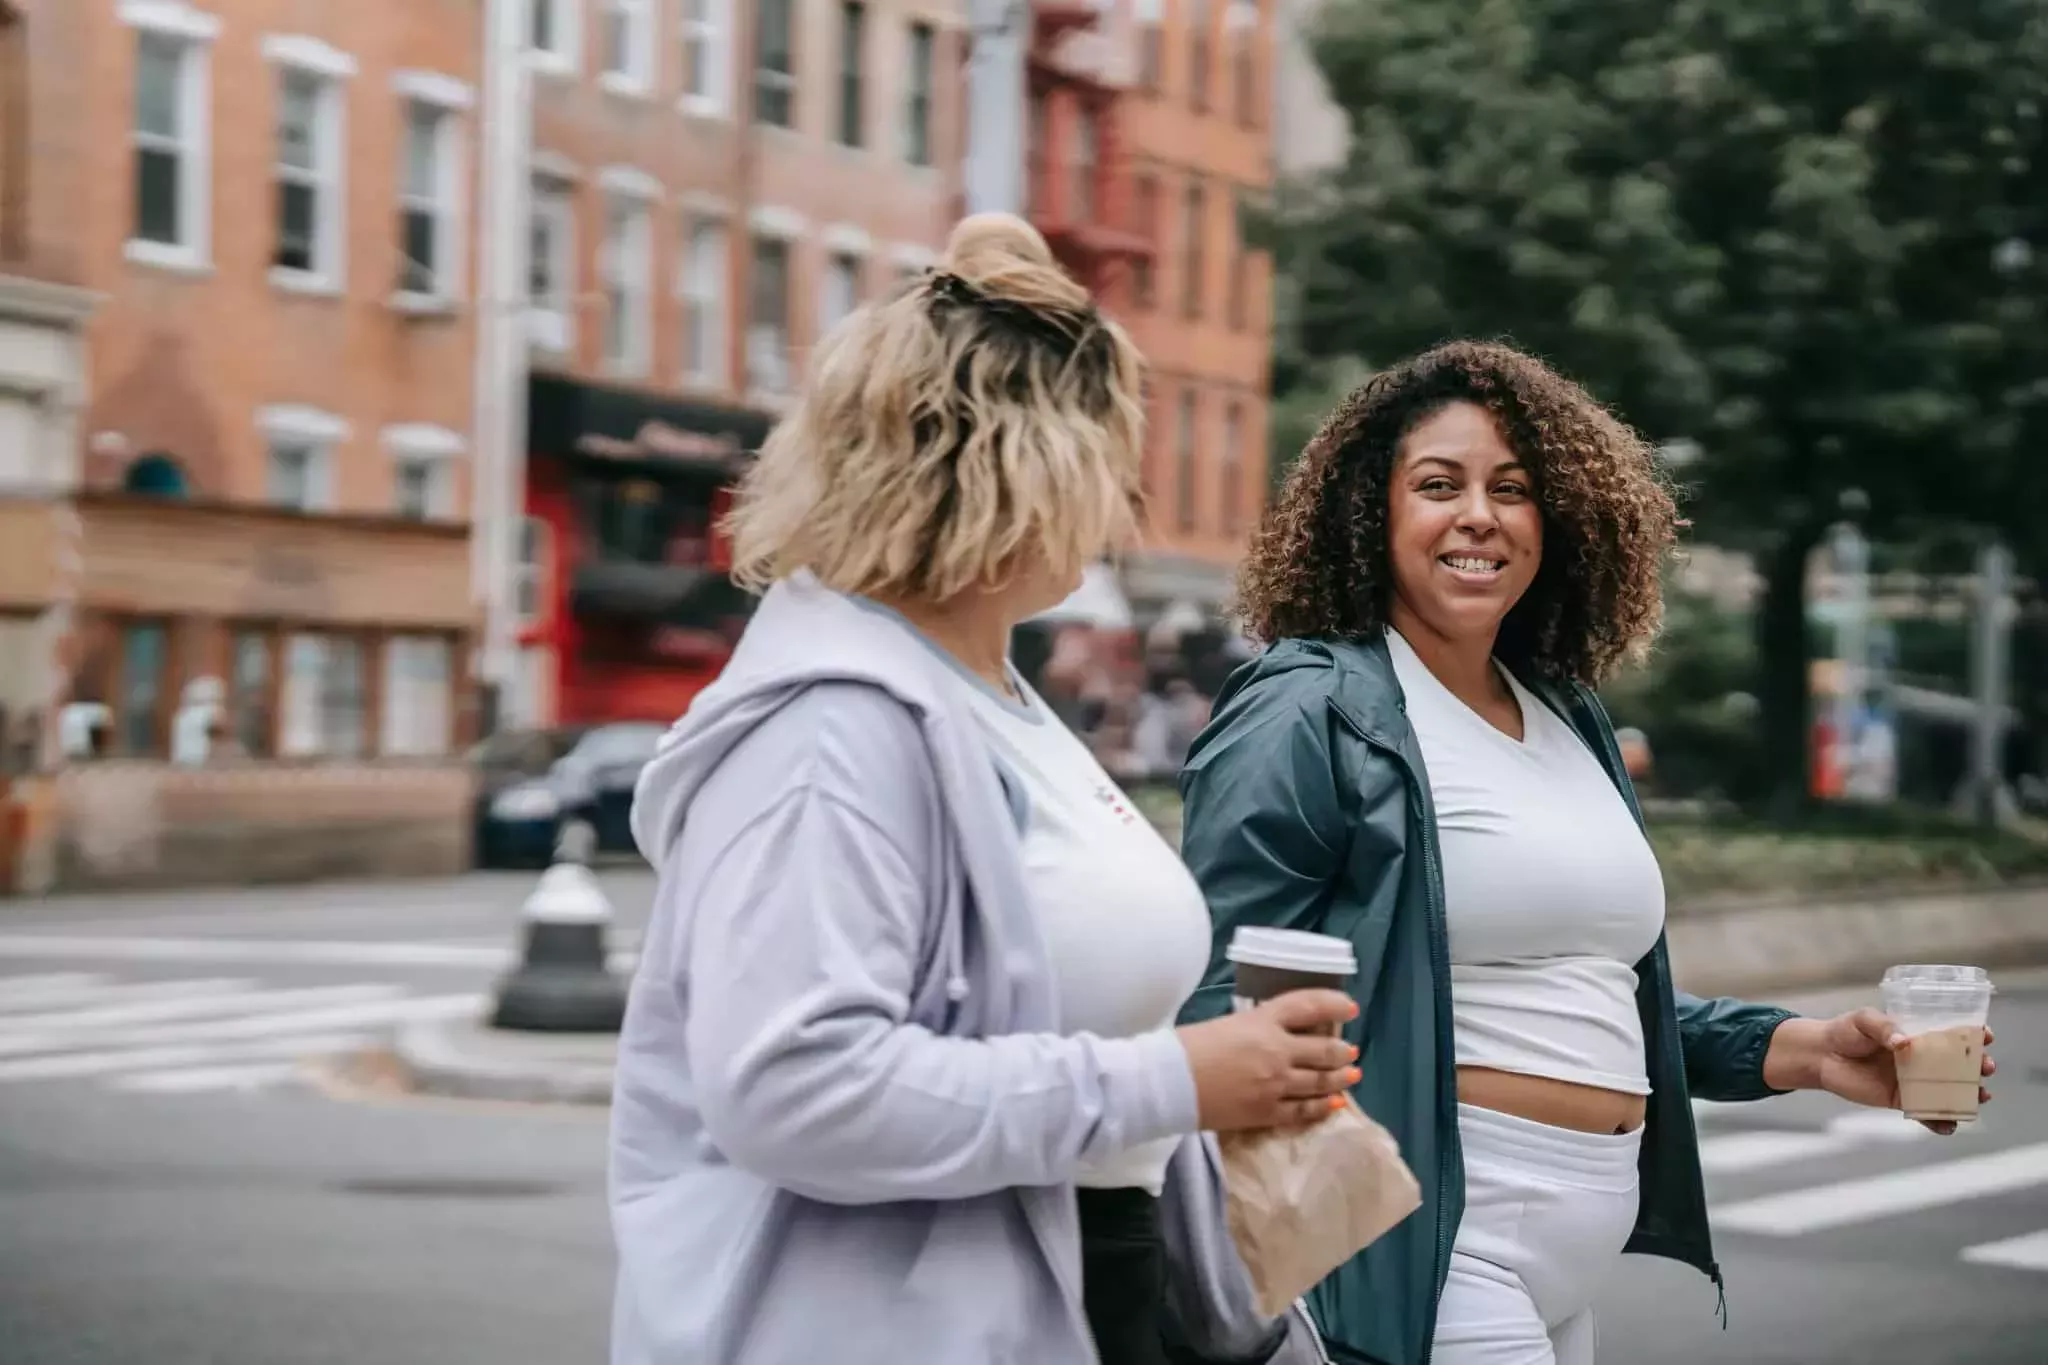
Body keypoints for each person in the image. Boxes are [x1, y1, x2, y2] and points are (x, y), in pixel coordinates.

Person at [607, 213, 1360, 1365]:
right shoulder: (832, 725)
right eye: (1115, 466)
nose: (1122, 510)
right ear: (1026, 471)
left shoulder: (985, 693)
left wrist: (1222, 1087)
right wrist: (1170, 1077)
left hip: (1080, 1286)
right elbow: (796, 1089)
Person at [1175, 341, 1998, 1365]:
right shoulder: (1310, 705)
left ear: (1553, 521)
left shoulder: (1562, 712)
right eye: (1437, 485)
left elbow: (1594, 989)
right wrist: (1291, 1240)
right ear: (1367, 513)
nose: (1478, 514)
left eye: (1512, 491)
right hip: (1425, 1233)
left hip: (1571, 1250)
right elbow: (1215, 982)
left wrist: (1808, 1051)